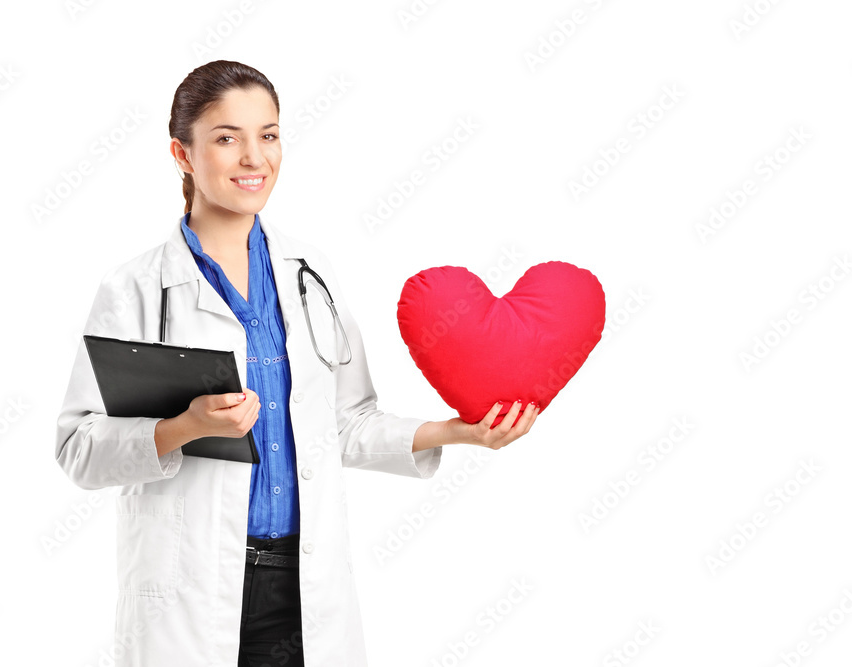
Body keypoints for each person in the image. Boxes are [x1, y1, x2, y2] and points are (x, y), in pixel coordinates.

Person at [54, 59, 539, 667]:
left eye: (270, 134)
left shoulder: (311, 274)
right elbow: (79, 447)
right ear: (182, 153)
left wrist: (456, 432)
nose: (254, 157)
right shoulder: (136, 288)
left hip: (304, 589)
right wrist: (186, 426)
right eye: (227, 138)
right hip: (192, 593)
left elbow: (346, 421)